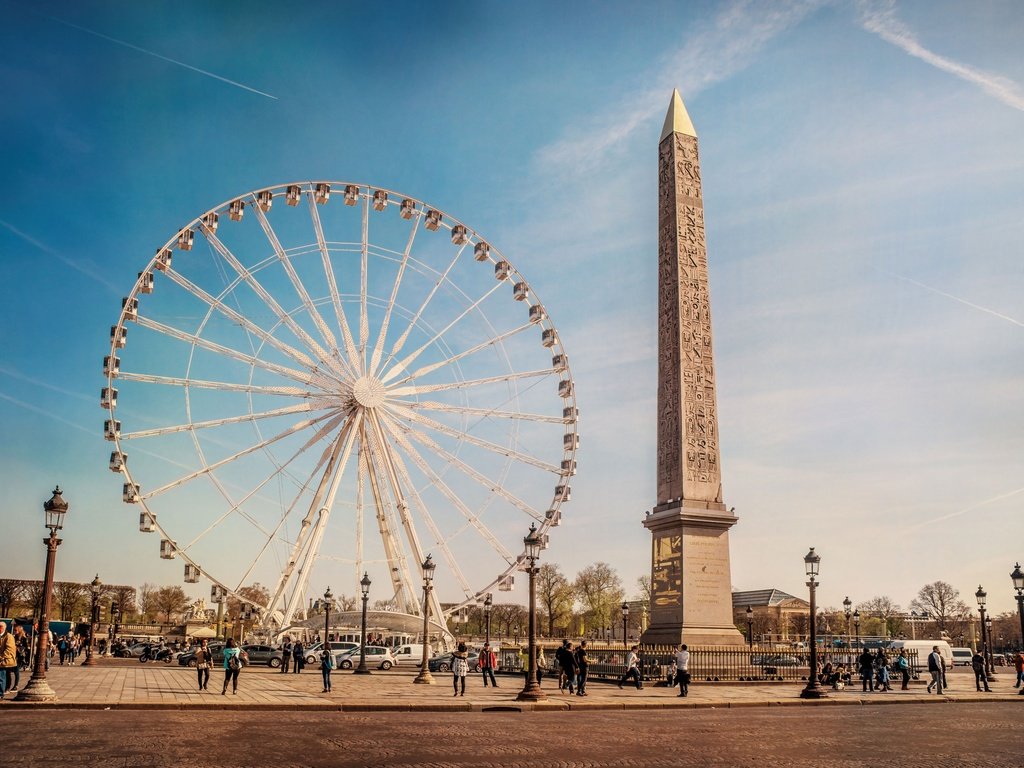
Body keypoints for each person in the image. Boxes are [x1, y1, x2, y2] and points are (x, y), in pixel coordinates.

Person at [0, 621, 17, 698]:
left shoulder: (8, 636)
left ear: (4, 628)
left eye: (1, 627)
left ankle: (0, 693)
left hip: (3, 661)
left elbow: (9, 649)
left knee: (1, 677)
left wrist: (1, 657)